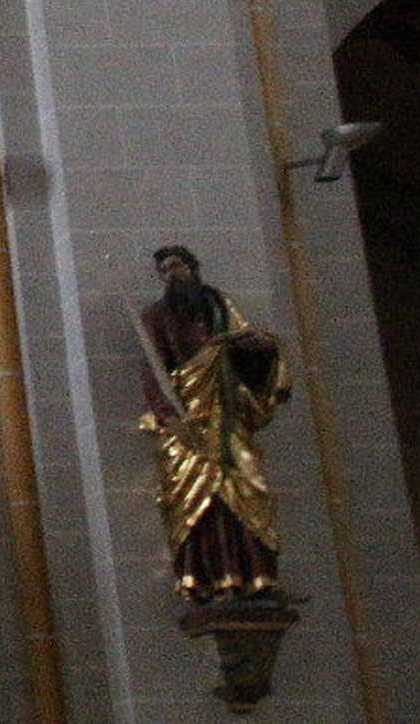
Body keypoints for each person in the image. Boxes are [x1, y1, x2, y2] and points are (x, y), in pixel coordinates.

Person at [137, 245, 289, 603]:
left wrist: (258, 347)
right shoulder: (156, 316)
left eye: (177, 265)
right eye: (165, 269)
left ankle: (257, 576)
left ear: (193, 267)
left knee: (247, 488)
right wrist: (169, 417)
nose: (172, 273)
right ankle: (205, 577)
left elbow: (247, 348)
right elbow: (153, 373)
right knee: (198, 498)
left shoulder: (219, 307)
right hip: (188, 421)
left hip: (228, 416)